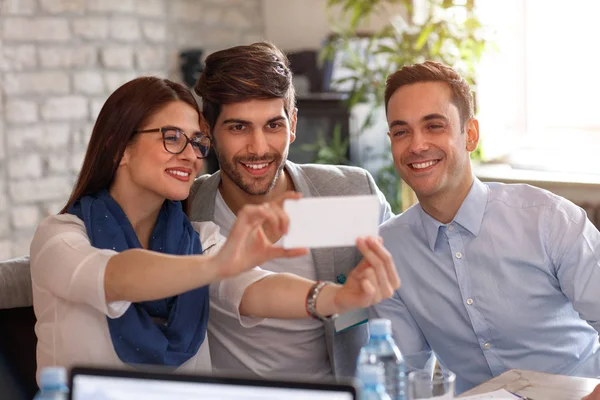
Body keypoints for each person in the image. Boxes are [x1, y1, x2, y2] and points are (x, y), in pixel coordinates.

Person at [30, 76, 400, 379]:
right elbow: (117, 276)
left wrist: (335, 298)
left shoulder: (195, 237)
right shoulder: (60, 238)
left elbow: (254, 287)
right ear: (119, 147)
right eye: (171, 138)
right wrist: (217, 266)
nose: (191, 155)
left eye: (195, 141)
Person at [371, 60, 600, 393]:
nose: (416, 145)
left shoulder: (548, 220)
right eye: (401, 131)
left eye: (434, 126)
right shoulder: (389, 250)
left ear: (470, 134)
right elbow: (404, 377)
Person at [190, 41, 394, 379]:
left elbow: (404, 293)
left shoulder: (343, 196)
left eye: (273, 125)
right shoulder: (187, 210)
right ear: (208, 130)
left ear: (293, 123)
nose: (258, 148)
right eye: (238, 127)